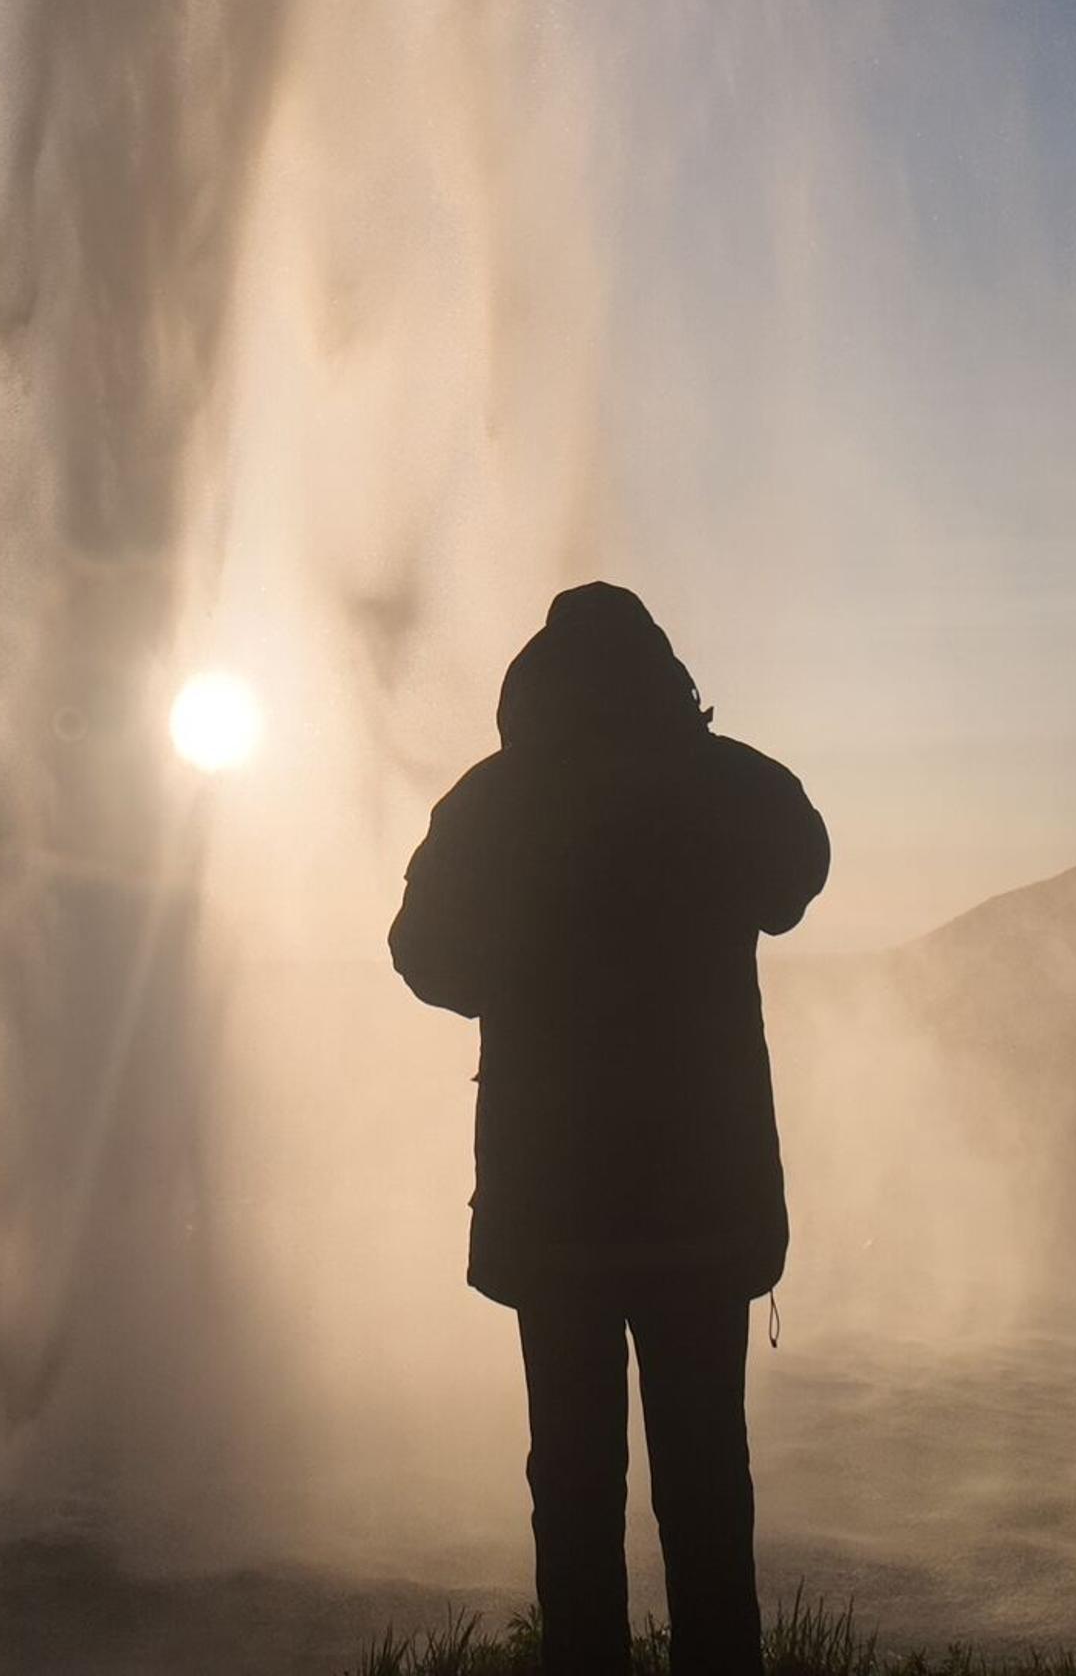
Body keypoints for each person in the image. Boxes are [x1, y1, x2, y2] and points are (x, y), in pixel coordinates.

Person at [391, 583, 830, 1676]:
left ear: (531, 690)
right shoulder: (723, 785)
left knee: (575, 1487)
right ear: (666, 679)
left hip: (557, 1220)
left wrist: (523, 980)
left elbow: (421, 954)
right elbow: (798, 871)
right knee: (706, 1480)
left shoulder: (491, 803)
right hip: (702, 1208)